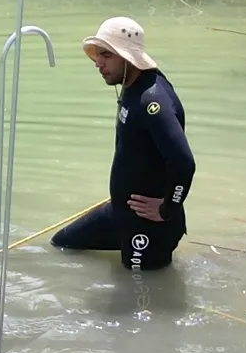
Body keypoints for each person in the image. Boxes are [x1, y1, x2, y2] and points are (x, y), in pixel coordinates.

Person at [51, 16, 197, 272]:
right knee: (63, 243)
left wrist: (167, 209)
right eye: (98, 55)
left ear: (127, 57)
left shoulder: (153, 101)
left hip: (146, 223)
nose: (98, 63)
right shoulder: (131, 86)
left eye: (106, 55)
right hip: (121, 212)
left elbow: (183, 161)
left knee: (138, 293)